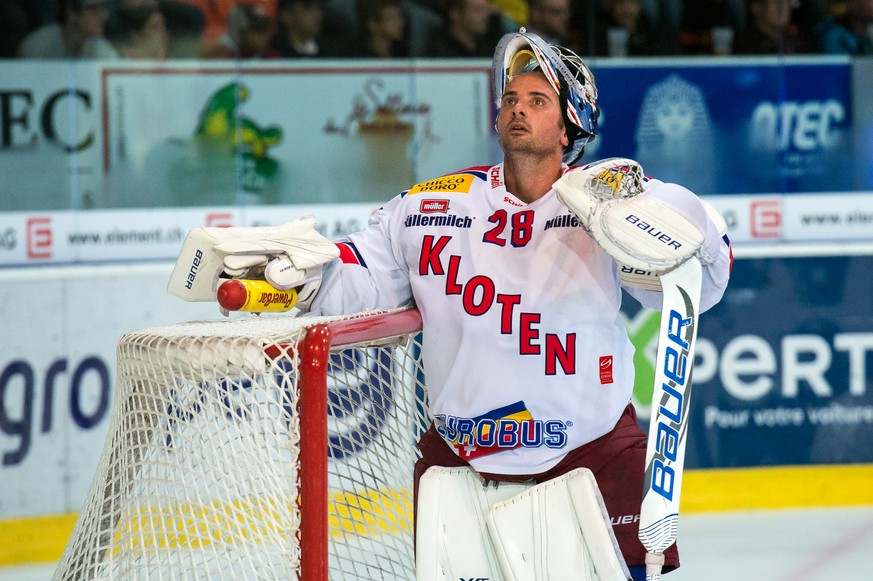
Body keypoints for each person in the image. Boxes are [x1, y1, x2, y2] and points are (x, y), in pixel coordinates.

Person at [168, 30, 731, 580]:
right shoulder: (432, 205)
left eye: (538, 101)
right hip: (462, 459)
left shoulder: (608, 201)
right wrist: (300, 277)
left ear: (570, 124)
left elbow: (700, 283)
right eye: (511, 99)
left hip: (592, 451)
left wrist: (672, 220)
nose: (518, 110)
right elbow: (363, 282)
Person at [17, 0, 119, 59]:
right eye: (93, 10)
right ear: (72, 13)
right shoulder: (38, 45)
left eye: (102, 10)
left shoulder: (101, 48)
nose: (103, 16)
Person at [733, 0, 816, 54]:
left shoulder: (800, 41)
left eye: (786, 2)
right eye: (776, 2)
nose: (782, 8)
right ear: (756, 8)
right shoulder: (743, 42)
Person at [270, 0, 343, 56]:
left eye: (318, 8)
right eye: (308, 8)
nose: (317, 15)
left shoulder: (331, 52)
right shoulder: (272, 52)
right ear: (286, 15)